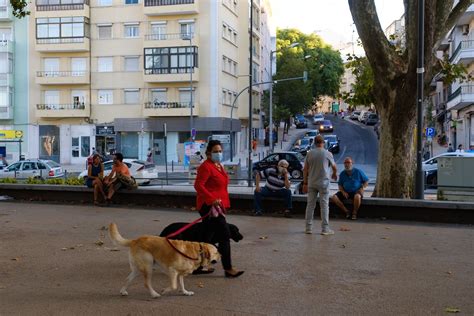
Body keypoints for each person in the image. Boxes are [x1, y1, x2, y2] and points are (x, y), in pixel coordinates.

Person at [194, 140, 244, 278]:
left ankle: (199, 265)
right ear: (208, 153)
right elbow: (199, 185)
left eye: (220, 151)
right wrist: (211, 200)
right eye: (216, 151)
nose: (219, 153)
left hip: (218, 206)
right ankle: (228, 268)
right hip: (209, 207)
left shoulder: (218, 166)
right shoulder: (206, 167)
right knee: (224, 235)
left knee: (206, 237)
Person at [302, 135, 338, 235]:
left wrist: (305, 183)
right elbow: (334, 167)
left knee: (310, 205)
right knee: (324, 205)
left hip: (312, 182)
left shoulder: (309, 154)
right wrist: (334, 174)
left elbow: (305, 169)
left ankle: (308, 228)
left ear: (314, 143)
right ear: (323, 143)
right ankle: (325, 229)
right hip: (324, 183)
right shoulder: (328, 153)